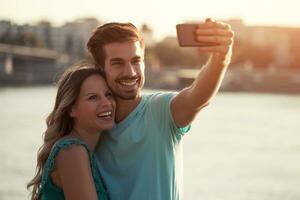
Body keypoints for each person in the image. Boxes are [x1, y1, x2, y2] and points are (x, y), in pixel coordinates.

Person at [87, 18, 234, 200]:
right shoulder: (91, 127)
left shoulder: (160, 111)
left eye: (136, 61)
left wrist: (221, 58)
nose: (130, 72)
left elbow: (197, 98)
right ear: (100, 69)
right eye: (118, 63)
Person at [27, 62, 116, 200]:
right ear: (71, 109)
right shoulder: (72, 150)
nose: (106, 103)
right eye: (93, 97)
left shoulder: (83, 151)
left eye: (108, 94)